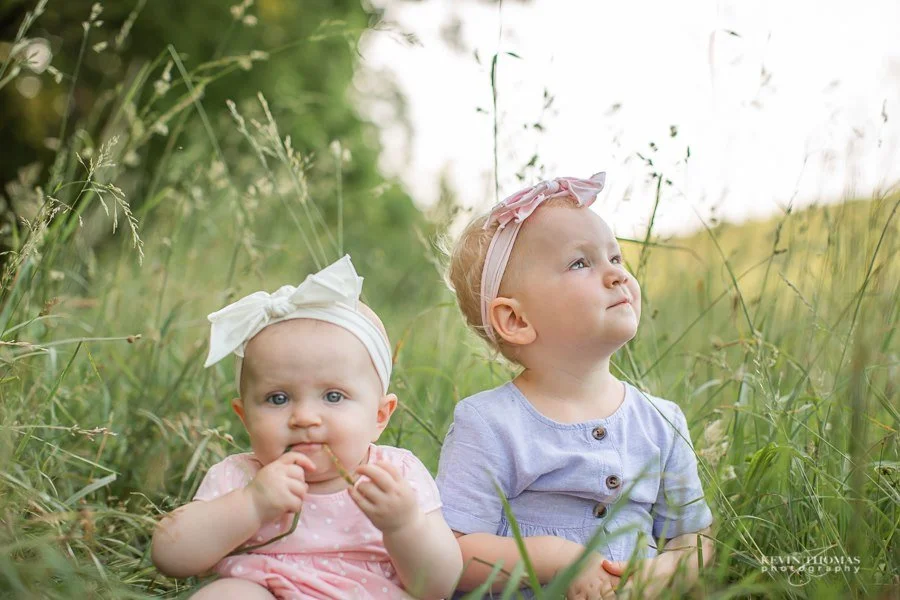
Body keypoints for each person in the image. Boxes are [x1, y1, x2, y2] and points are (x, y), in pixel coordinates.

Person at [438, 173, 714, 598]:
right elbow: (449, 556)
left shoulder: (662, 422)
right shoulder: (489, 424)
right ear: (516, 320)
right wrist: (555, 559)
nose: (616, 275)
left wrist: (660, 576)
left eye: (616, 258)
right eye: (581, 263)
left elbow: (692, 540)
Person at [151, 255, 463, 600]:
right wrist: (252, 504)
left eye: (332, 396)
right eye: (278, 399)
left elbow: (440, 586)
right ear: (245, 417)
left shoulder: (396, 475)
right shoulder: (240, 477)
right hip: (264, 589)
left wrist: (405, 526)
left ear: (379, 416)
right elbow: (169, 556)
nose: (304, 417)